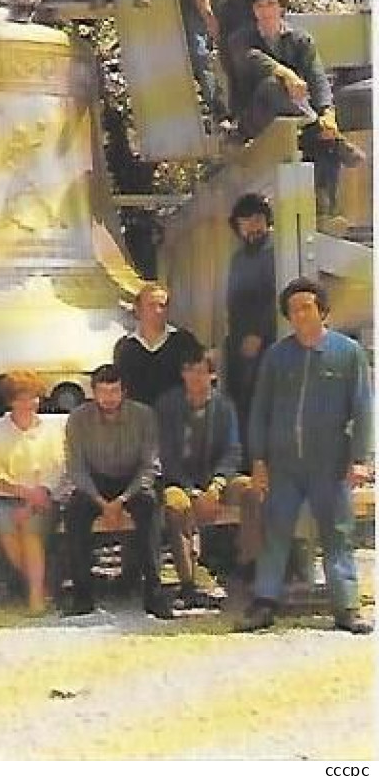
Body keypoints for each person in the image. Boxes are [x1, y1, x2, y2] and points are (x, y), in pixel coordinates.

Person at [237, 278, 373, 635]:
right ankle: (266, 601)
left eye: (306, 307)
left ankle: (346, 606)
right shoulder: (277, 356)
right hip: (284, 466)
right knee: (275, 531)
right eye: (293, 310)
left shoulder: (347, 353)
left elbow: (362, 407)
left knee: (338, 533)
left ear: (322, 311)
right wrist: (259, 461)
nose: (298, 315)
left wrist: (360, 458)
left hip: (329, 464)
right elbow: (260, 410)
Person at [233, 0, 365, 217]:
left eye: (271, 4)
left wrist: (327, 113)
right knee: (274, 85)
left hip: (298, 117)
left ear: (280, 7)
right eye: (260, 6)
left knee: (325, 138)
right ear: (254, 11)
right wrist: (286, 74)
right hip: (256, 117)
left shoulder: (300, 40)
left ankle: (327, 208)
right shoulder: (241, 39)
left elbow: (317, 77)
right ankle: (329, 135)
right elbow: (253, 59)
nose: (266, 11)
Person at [156, 342, 261, 608]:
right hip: (181, 481)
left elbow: (233, 450)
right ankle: (188, 583)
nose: (195, 377)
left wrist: (216, 485)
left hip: (218, 479)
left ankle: (248, 565)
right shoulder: (167, 405)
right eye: (190, 371)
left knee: (252, 489)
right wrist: (193, 491)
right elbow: (167, 456)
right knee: (174, 504)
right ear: (182, 373)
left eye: (202, 371)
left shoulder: (225, 407)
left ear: (213, 375)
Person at [64, 364, 172, 619]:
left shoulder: (144, 416)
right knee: (74, 513)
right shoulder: (78, 419)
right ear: (93, 392)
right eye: (103, 392)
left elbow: (150, 465)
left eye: (114, 392)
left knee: (149, 508)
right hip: (95, 482)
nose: (108, 398)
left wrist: (122, 500)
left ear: (124, 391)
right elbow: (76, 468)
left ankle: (154, 593)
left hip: (132, 481)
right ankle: (82, 594)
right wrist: (102, 502)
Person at [0, 370, 66, 614]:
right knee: (4, 522)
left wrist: (33, 500)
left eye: (33, 397)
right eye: (22, 398)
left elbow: (58, 468)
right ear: (10, 401)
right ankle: (42, 584)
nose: (29, 403)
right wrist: (25, 494)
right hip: (5, 495)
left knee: (31, 529)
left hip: (44, 496)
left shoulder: (52, 428)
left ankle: (36, 596)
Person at [225, 192, 277, 469]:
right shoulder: (238, 259)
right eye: (246, 221)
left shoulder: (275, 253)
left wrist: (259, 333)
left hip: (267, 344)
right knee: (242, 404)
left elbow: (275, 298)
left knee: (264, 404)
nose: (252, 227)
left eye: (257, 220)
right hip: (238, 345)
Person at [113, 282, 199, 407]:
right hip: (138, 420)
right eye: (151, 305)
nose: (158, 311)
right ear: (138, 310)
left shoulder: (184, 341)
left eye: (162, 306)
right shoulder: (125, 347)